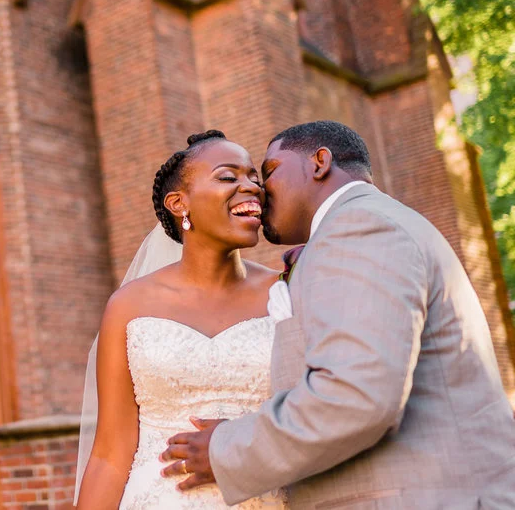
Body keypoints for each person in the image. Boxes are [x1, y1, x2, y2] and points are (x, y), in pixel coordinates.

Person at [161, 120, 515, 509]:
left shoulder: (359, 227)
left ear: (320, 162)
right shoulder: (366, 224)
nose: (259, 190)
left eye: (268, 172)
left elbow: (356, 395)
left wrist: (225, 449)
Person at [75, 130, 287, 508]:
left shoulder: (286, 291)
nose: (252, 187)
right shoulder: (129, 306)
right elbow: (110, 453)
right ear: (179, 203)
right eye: (228, 177)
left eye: (254, 177)